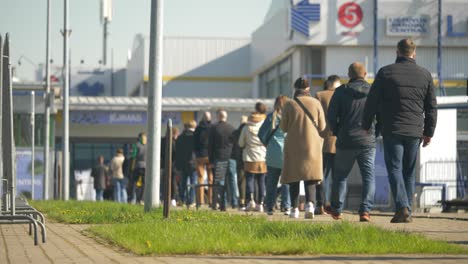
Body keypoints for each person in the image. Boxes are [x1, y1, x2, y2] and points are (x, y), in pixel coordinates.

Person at [362, 38, 437, 223]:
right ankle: (407, 211)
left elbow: (372, 101)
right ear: (414, 53)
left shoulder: (385, 72)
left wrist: (366, 125)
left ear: (397, 52)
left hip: (392, 128)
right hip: (414, 130)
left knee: (394, 168)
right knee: (408, 171)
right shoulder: (425, 75)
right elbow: (431, 107)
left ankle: (402, 207)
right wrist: (429, 132)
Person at [325, 63, 377, 222]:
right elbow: (380, 114)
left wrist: (337, 132)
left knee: (340, 176)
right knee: (368, 176)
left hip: (345, 140)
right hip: (367, 140)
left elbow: (331, 116)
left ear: (349, 75)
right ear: (365, 74)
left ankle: (337, 210)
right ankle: (365, 211)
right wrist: (376, 132)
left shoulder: (340, 91)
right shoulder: (373, 91)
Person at [280, 77, 326, 219]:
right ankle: (310, 205)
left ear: (295, 88)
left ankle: (294, 209)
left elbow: (283, 127)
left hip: (293, 144)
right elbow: (322, 126)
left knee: (294, 176)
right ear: (308, 89)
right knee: (310, 175)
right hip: (312, 143)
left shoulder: (289, 104)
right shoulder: (316, 103)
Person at [258, 95, 291, 216]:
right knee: (286, 182)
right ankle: (286, 206)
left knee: (271, 182)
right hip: (287, 153)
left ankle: (270, 207)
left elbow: (261, 134)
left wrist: (267, 143)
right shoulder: (290, 117)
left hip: (272, 154)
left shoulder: (270, 117)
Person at [314, 75, 341, 214]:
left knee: (322, 174)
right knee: (339, 176)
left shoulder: (319, 95)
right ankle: (337, 206)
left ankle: (321, 204)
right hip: (340, 141)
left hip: (322, 140)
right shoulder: (342, 94)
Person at [239, 102, 267, 212]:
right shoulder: (264, 125)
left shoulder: (246, 128)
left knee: (249, 179)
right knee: (261, 180)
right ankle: (260, 203)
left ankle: (250, 201)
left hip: (249, 156)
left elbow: (241, 143)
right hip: (262, 156)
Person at [208, 109, 237, 211]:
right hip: (231, 159)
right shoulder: (232, 128)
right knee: (232, 181)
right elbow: (235, 145)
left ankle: (222, 204)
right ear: (226, 117)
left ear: (218, 117)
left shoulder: (214, 128)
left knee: (220, 182)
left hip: (220, 158)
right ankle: (234, 202)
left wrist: (211, 161)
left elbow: (210, 146)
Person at [175, 120, 197, 208]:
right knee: (192, 183)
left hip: (182, 164)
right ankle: (191, 201)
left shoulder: (180, 138)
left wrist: (177, 165)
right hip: (193, 163)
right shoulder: (195, 137)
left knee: (182, 183)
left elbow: (177, 152)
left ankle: (181, 200)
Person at [194, 111, 214, 205]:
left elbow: (194, 143)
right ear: (209, 118)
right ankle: (210, 200)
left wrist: (196, 152)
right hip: (210, 156)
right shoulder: (213, 128)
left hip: (200, 156)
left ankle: (200, 200)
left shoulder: (198, 128)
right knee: (210, 178)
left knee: (200, 178)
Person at [231, 115, 248, 210]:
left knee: (241, 181)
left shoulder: (236, 132)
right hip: (249, 158)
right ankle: (250, 200)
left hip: (239, 159)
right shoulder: (249, 129)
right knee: (251, 179)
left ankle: (242, 201)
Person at [161, 127, 179, 206]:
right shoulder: (174, 142)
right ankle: (173, 198)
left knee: (164, 182)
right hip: (173, 165)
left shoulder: (163, 141)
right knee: (173, 182)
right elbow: (176, 153)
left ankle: (164, 198)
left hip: (164, 165)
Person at [130, 132, 147, 205]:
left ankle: (133, 199)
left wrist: (132, 167)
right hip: (145, 167)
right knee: (143, 184)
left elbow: (133, 157)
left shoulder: (135, 145)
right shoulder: (148, 145)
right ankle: (141, 199)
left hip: (137, 167)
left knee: (135, 183)